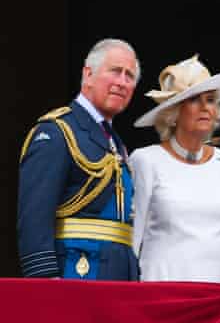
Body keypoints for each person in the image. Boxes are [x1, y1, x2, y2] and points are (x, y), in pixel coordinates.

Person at [18, 38, 141, 280]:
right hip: (77, 272)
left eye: (130, 76)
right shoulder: (58, 131)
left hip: (119, 275)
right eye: (115, 71)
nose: (122, 82)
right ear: (88, 74)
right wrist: (44, 280)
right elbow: (34, 215)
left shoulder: (115, 141)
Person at [129, 55, 220, 283]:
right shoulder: (146, 160)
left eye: (211, 100)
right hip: (164, 292)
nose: (205, 107)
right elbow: (133, 238)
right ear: (173, 113)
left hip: (219, 293)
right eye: (193, 100)